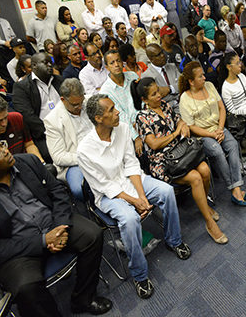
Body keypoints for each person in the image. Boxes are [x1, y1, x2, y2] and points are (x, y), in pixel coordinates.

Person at [78, 94, 191, 299]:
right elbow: (103, 186)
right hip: (108, 195)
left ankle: (173, 240)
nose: (117, 112)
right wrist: (134, 202)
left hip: (132, 180)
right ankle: (139, 274)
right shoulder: (84, 150)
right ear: (99, 119)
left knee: (166, 191)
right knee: (129, 220)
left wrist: (141, 195)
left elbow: (131, 164)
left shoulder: (121, 128)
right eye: (111, 110)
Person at [0, 137, 112, 317]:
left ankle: (83, 299)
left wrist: (60, 226)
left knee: (92, 234)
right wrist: (42, 241)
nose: (5, 151)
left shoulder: (27, 162)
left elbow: (58, 191)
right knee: (25, 287)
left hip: (53, 224)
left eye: (2, 145)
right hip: (19, 249)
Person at [132, 78, 227, 243]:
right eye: (153, 94)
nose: (159, 96)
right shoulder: (142, 117)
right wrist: (176, 133)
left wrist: (182, 124)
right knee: (196, 177)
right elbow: (153, 144)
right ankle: (209, 223)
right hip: (163, 162)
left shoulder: (165, 106)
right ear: (144, 100)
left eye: (158, 91)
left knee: (204, 169)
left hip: (181, 152)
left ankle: (203, 205)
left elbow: (179, 120)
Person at [178, 62, 246, 206]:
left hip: (218, 128)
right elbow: (191, 127)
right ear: (191, 81)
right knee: (217, 151)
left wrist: (220, 129)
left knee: (233, 145)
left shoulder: (209, 86)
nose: (204, 78)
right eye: (200, 76)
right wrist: (212, 135)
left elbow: (222, 108)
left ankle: (237, 187)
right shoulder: (184, 99)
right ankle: (233, 188)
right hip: (202, 135)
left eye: (203, 74)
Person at [44, 78, 93, 198]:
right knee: (79, 189)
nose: (80, 107)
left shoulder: (90, 102)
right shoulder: (52, 120)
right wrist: (87, 158)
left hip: (102, 149)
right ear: (63, 100)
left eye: (81, 102)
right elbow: (59, 157)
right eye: (75, 105)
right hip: (75, 162)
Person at [12, 53, 64, 163]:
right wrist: (51, 130)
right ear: (34, 65)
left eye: (50, 62)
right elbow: (27, 116)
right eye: (45, 63)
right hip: (43, 133)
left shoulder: (59, 80)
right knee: (52, 155)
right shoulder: (22, 87)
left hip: (67, 126)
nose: (49, 65)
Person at [100, 50, 143, 156]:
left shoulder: (132, 76)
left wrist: (143, 121)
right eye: (112, 62)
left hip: (144, 121)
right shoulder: (106, 90)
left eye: (118, 61)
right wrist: (136, 137)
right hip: (126, 131)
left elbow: (142, 100)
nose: (116, 65)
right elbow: (121, 116)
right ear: (107, 68)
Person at [0, 94, 52, 169]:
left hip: (27, 166)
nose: (4, 124)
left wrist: (41, 164)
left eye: (6, 117)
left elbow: (29, 145)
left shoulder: (16, 118)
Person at [142, 44, 180, 110]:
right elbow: (158, 98)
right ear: (151, 59)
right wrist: (175, 99)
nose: (162, 55)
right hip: (166, 111)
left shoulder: (172, 66)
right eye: (158, 55)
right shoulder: (146, 76)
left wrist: (169, 89)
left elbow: (183, 85)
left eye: (162, 52)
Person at [0, 0, 17, 80]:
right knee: (5, 76)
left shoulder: (5, 22)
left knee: (14, 72)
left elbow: (13, 35)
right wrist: (4, 42)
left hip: (9, 50)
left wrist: (12, 43)